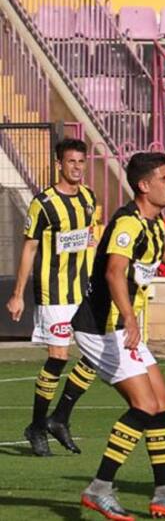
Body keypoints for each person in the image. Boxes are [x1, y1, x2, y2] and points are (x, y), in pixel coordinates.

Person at [72, 152, 165, 520]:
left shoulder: (152, 222)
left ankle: (164, 494)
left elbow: (164, 251)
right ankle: (100, 488)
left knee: (164, 401)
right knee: (145, 405)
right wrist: (129, 317)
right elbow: (113, 272)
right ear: (144, 185)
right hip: (102, 328)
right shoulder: (127, 223)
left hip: (122, 325)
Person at [7, 138, 100, 457]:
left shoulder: (89, 198)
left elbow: (91, 239)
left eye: (81, 161)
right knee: (58, 357)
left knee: (96, 355)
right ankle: (36, 426)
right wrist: (17, 294)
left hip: (83, 291)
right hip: (54, 292)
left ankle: (59, 418)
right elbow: (30, 247)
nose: (77, 167)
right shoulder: (43, 203)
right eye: (71, 161)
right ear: (58, 164)